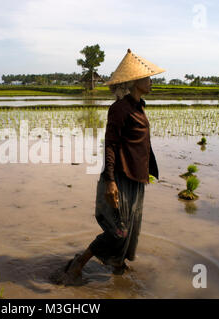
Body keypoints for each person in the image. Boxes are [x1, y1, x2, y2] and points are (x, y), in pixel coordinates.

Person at [53, 48, 165, 285]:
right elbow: (111, 145)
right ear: (135, 82)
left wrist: (148, 170)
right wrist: (111, 181)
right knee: (118, 231)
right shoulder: (119, 109)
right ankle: (78, 263)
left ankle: (117, 266)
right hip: (121, 177)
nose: (151, 81)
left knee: (129, 228)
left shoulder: (139, 106)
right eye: (148, 77)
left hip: (136, 177)